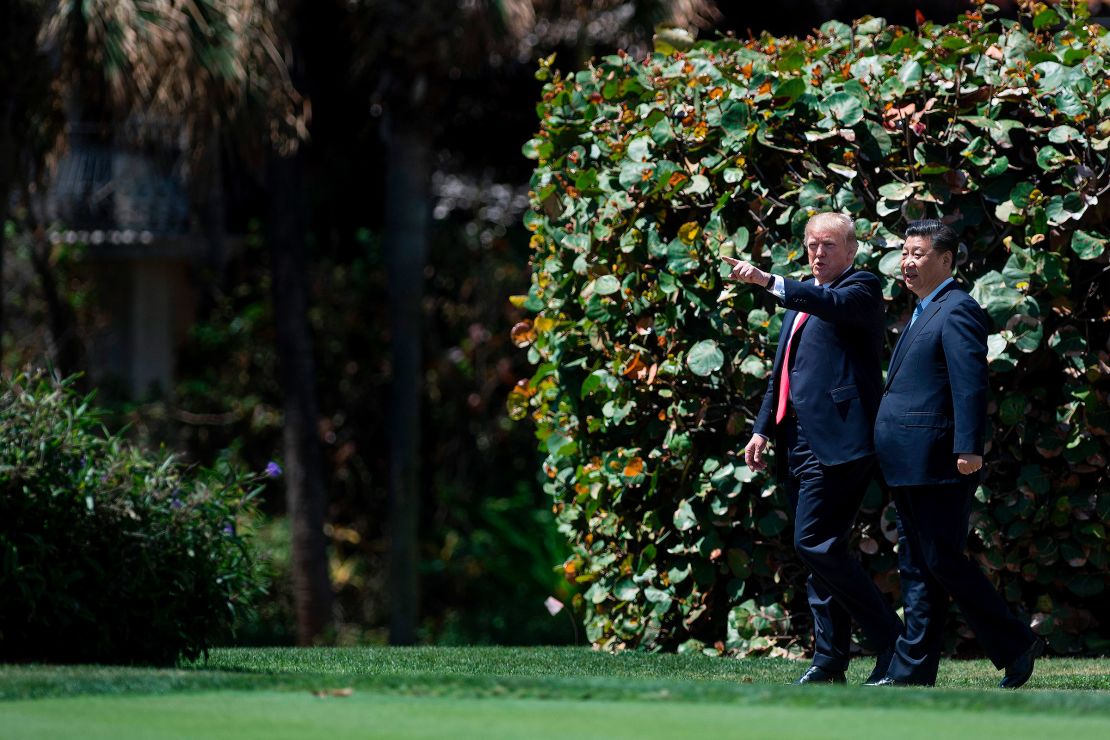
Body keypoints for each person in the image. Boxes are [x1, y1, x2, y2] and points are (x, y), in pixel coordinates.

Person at [724, 211, 902, 685]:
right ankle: (830, 660)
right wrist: (762, 429)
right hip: (796, 443)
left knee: (815, 542)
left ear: (851, 250)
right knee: (817, 552)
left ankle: (891, 641)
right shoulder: (803, 295)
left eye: (828, 245)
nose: (818, 253)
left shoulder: (859, 288)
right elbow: (782, 374)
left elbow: (829, 303)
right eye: (811, 245)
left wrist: (767, 280)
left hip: (840, 441)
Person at [867, 219, 1042, 688]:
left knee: (941, 560)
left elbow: (970, 384)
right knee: (917, 565)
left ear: (946, 260)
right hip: (906, 462)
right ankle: (913, 670)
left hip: (938, 460)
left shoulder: (957, 309)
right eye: (905, 252)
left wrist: (968, 448)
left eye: (918, 253)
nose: (907, 261)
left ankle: (1014, 642)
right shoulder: (923, 310)